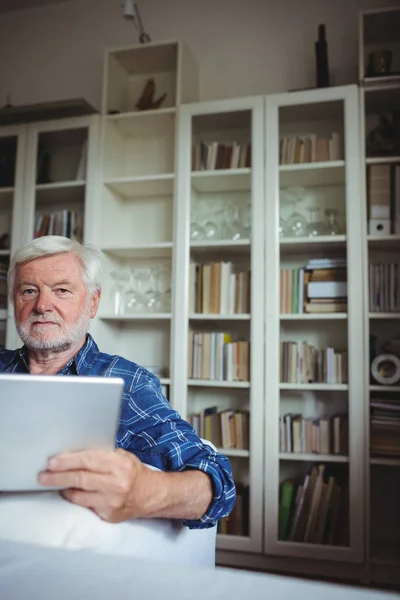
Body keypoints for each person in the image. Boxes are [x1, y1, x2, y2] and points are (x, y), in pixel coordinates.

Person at [0, 236, 236, 529]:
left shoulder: (126, 382)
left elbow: (218, 485)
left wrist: (145, 491)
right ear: (14, 301)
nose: (42, 305)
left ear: (93, 302)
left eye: (61, 290)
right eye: (29, 291)